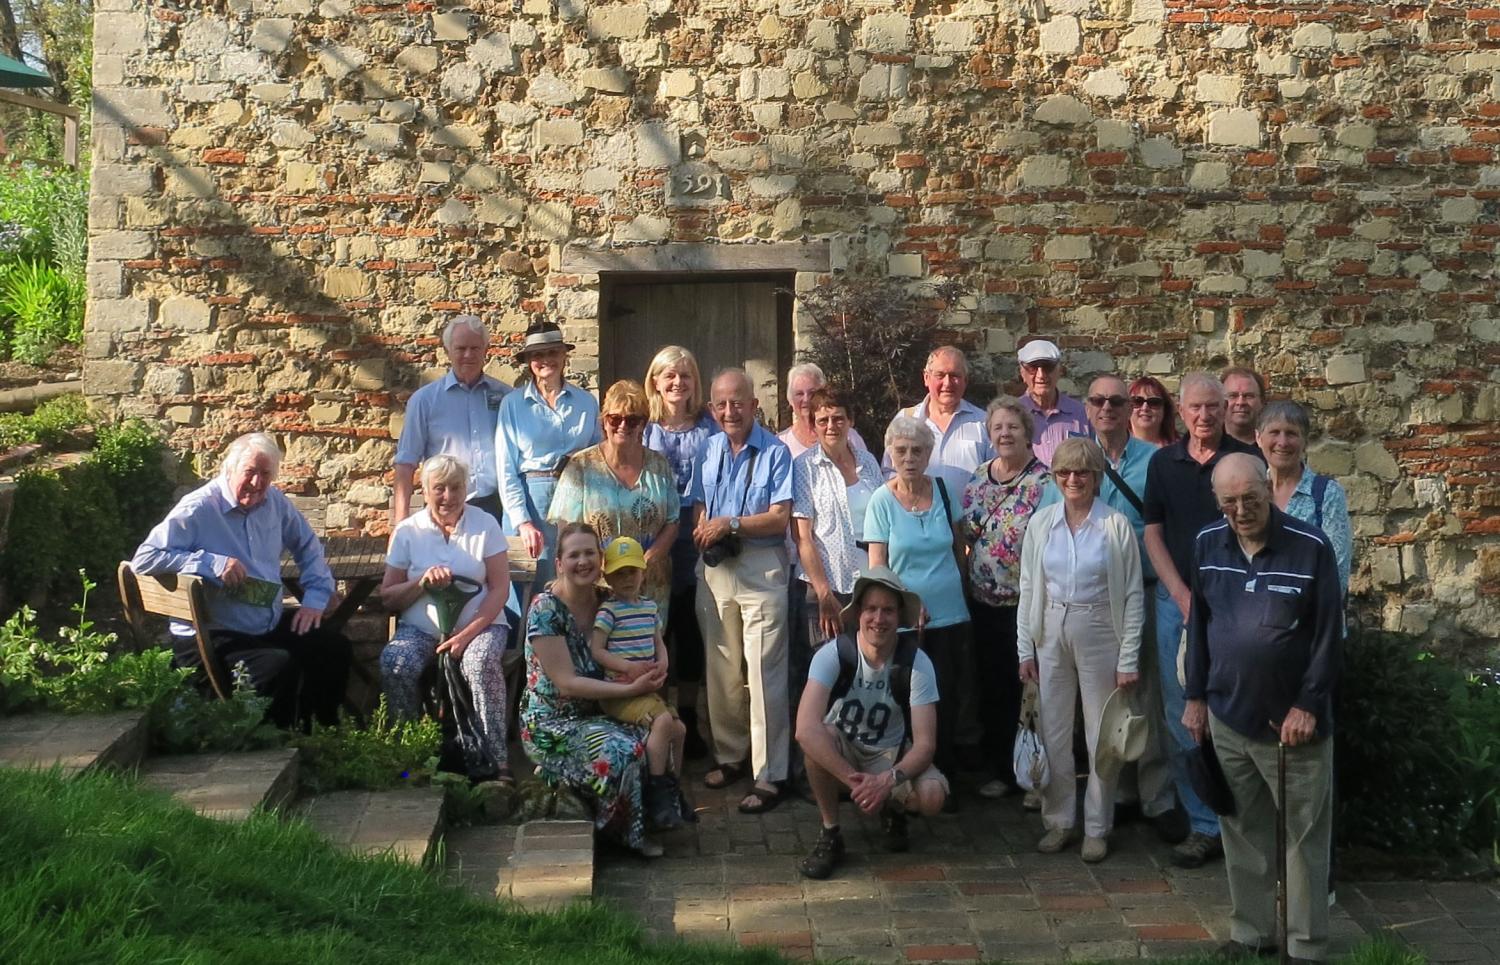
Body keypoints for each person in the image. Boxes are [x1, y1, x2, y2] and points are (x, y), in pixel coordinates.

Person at [1184, 455, 1341, 963]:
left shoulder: (1311, 546)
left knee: (1303, 837)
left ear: (1268, 490)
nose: (1240, 510)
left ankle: (1305, 946)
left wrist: (1308, 705)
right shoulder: (1207, 543)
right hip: (1228, 715)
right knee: (1241, 830)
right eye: (1229, 502)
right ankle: (1251, 934)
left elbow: (1328, 635)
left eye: (1250, 498)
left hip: (1292, 726)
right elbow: (1199, 625)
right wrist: (1195, 697)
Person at [131, 431, 352, 729]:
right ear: (229, 468)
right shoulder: (198, 508)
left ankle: (320, 734)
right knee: (277, 665)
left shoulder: (275, 502)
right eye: (249, 472)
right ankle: (274, 745)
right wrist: (212, 563)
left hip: (262, 624)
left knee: (332, 646)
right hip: (210, 636)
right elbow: (145, 558)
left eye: (266, 474)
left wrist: (315, 597)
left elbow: (308, 546)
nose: (257, 482)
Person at [1040, 375, 1180, 839]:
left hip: (1143, 591)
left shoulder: (1154, 462)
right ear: (1087, 407)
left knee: (1146, 697)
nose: (1108, 408)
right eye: (1098, 400)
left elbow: (1167, 523)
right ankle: (1115, 795)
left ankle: (1155, 797)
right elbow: (1047, 526)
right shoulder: (1073, 460)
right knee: (1097, 709)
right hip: (1088, 604)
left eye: (1119, 401)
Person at [1142, 372, 1263, 868]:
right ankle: (1202, 823)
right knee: (1181, 715)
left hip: (1234, 605)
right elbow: (1153, 533)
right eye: (1195, 407)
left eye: (1214, 406)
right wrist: (1179, 593)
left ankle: (1242, 823)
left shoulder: (1246, 460)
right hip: (1177, 604)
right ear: (1182, 411)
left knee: (1234, 711)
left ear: (1225, 409)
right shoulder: (1163, 463)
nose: (1205, 415)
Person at [1017, 437, 1144, 863]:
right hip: (1050, 627)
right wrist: (1025, 649)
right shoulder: (1042, 524)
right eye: (1065, 472)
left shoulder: (1114, 526)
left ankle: (1096, 827)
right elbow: (1029, 588)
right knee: (1053, 730)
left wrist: (1128, 658)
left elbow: (1133, 594)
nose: (1074, 479)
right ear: (1055, 477)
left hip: (1100, 627)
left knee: (1100, 734)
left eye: (1083, 472)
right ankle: (1058, 820)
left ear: (1096, 477)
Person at [520, 522, 679, 857]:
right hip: (554, 723)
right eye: (574, 555)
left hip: (605, 710)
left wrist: (655, 667)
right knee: (624, 751)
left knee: (667, 728)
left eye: (589, 553)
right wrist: (631, 689)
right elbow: (567, 682)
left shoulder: (610, 601)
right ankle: (626, 835)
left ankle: (661, 812)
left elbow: (645, 638)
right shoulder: (546, 610)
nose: (583, 561)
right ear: (559, 563)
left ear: (601, 560)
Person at [796, 567, 948, 879]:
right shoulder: (834, 654)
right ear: (858, 613)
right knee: (816, 743)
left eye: (888, 610)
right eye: (871, 609)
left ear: (900, 616)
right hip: (844, 749)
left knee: (932, 796)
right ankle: (830, 832)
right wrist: (858, 783)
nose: (879, 619)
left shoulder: (917, 662)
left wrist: (885, 782)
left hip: (890, 753)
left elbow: (925, 745)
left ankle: (894, 809)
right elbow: (804, 729)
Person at [692, 368, 795, 813]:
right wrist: (704, 528)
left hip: (761, 568)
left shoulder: (776, 452)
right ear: (711, 408)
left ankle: (770, 773)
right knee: (722, 670)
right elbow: (699, 503)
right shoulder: (708, 448)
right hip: (717, 569)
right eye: (721, 404)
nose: (730, 411)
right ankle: (731, 756)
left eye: (738, 402)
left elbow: (779, 518)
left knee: (764, 672)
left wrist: (730, 524)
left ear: (755, 405)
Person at [379, 454, 511, 779]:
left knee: (480, 662)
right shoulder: (408, 531)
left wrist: (466, 636)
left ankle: (496, 762)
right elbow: (388, 596)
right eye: (439, 488)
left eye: (456, 487)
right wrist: (421, 583)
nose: (448, 496)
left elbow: (500, 589)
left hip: (480, 627)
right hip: (421, 630)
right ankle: (408, 758)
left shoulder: (485, 525)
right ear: (425, 490)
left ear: (466, 489)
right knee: (396, 662)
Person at [865, 414, 970, 781]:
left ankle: (945, 775)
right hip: (906, 622)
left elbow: (959, 550)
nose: (909, 457)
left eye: (917, 450)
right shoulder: (881, 500)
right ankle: (910, 775)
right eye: (901, 450)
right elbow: (878, 568)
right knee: (908, 699)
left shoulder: (944, 490)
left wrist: (963, 593)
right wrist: (908, 602)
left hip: (952, 615)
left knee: (949, 696)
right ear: (890, 454)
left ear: (928, 454)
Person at [959, 396, 1049, 799]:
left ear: (1027, 432)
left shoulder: (1045, 483)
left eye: (1013, 426)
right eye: (997, 427)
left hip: (1026, 605)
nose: (1005, 434)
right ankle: (1001, 768)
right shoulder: (979, 476)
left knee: (1029, 689)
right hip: (983, 603)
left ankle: (1034, 773)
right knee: (993, 685)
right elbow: (967, 534)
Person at [642, 345, 718, 759]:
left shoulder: (709, 426)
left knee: (690, 629)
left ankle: (688, 714)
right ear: (655, 381)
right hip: (653, 536)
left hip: (695, 535)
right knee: (655, 626)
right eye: (669, 375)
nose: (677, 383)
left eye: (685, 375)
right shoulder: (645, 427)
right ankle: (655, 715)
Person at [548, 379, 680, 614]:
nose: (623, 425)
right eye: (615, 419)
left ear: (643, 424)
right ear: (604, 422)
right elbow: (566, 530)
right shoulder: (581, 466)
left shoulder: (659, 465)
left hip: (649, 585)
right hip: (597, 586)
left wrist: (647, 561)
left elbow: (673, 521)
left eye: (632, 420)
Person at [590, 537, 691, 828]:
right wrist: (628, 667)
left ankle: (673, 792)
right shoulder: (609, 611)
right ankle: (657, 794)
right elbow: (597, 650)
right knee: (663, 722)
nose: (626, 579)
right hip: (621, 693)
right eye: (619, 573)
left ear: (642, 573)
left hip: (647, 689)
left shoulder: (648, 607)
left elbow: (659, 642)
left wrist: (664, 663)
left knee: (679, 730)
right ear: (607, 577)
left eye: (632, 572)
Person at [495, 320, 602, 590]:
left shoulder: (586, 402)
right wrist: (523, 522)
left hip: (576, 498)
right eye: (538, 354)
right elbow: (506, 468)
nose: (546, 360)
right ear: (528, 361)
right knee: (529, 582)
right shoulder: (513, 405)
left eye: (553, 352)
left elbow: (599, 457)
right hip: (531, 500)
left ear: (564, 355)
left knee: (574, 578)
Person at [390, 315, 510, 528]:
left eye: (475, 348)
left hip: (496, 508)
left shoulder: (505, 397)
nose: (468, 355)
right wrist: (401, 524)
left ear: (486, 350)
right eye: (461, 348)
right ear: (447, 351)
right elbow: (406, 463)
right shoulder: (425, 401)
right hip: (444, 507)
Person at [793, 387, 884, 646]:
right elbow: (803, 537)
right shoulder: (804, 467)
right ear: (813, 425)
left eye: (838, 418)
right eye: (823, 420)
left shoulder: (868, 462)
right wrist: (824, 594)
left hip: (868, 585)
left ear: (850, 420)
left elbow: (884, 522)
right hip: (827, 587)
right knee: (828, 662)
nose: (831, 426)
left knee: (868, 661)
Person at [1257, 401, 1352, 597]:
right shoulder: (1249, 493)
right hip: (1255, 612)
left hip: (1310, 613)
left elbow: (1337, 571)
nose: (1282, 442)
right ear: (1258, 438)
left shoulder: (1326, 494)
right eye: (1274, 432)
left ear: (1305, 442)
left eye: (1291, 433)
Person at [882, 345, 992, 495]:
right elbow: (889, 472)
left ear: (965, 380)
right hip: (916, 510)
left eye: (954, 375)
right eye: (940, 375)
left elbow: (997, 474)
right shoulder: (906, 420)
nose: (947, 383)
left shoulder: (984, 422)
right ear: (926, 378)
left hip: (969, 511)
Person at [1016, 338, 1088, 467]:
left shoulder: (1080, 413)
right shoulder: (1013, 413)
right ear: (1022, 373)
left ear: (1059, 370)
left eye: (1048, 367)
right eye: (1033, 368)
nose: (1041, 375)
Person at [779, 362, 868, 457]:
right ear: (790, 400)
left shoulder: (848, 436)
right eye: (799, 394)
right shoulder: (781, 443)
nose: (806, 399)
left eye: (812, 393)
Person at [1221, 366, 1266, 448]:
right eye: (1233, 396)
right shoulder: (1208, 445)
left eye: (1249, 396)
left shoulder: (1273, 447)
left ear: (1262, 401)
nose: (1240, 402)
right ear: (1221, 401)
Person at [1129, 376, 1180, 447]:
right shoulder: (1116, 446)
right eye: (1137, 401)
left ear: (1165, 410)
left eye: (1154, 402)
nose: (1145, 408)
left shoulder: (1180, 449)